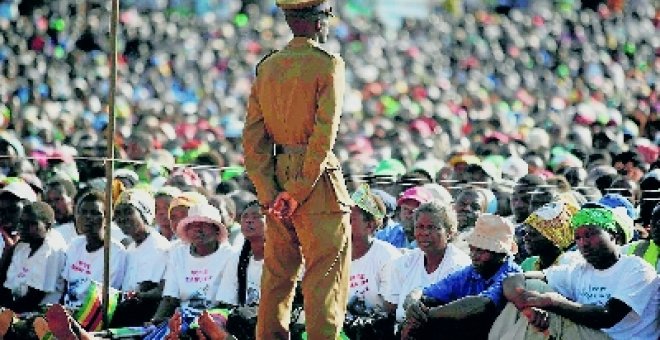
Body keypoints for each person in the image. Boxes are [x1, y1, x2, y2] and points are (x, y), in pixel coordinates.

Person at [242, 1, 354, 338]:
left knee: (276, 278)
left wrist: (269, 193)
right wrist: (299, 190)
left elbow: (253, 137)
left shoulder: (268, 66)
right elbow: (323, 136)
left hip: (277, 177)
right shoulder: (328, 64)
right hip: (317, 184)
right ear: (319, 23)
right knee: (324, 281)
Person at [501, 207, 659, 340]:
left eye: (590, 235)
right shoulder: (579, 270)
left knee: (547, 318)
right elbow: (514, 279)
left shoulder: (636, 269)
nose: (583, 243)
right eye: (578, 237)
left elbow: (607, 317)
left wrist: (553, 302)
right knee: (530, 296)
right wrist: (522, 301)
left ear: (613, 236)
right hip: (592, 335)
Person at [402, 214, 522, 339]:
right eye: (472, 249)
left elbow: (479, 304)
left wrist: (426, 315)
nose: (474, 256)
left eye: (481, 251)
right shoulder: (471, 271)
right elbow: (425, 291)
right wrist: (413, 303)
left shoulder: (511, 273)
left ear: (501, 254)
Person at [384, 200, 471, 323]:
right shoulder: (405, 262)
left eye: (432, 227)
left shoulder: (460, 266)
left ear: (449, 232)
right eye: (420, 227)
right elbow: (391, 308)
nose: (424, 233)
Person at [151, 203, 235, 323]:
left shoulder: (230, 256)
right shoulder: (178, 254)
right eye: (193, 225)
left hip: (214, 320)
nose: (198, 229)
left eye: (203, 225)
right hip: (181, 320)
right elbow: (170, 298)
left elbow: (226, 304)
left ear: (216, 230)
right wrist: (156, 321)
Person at [111, 189, 171, 327]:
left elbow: (156, 291)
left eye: (128, 212)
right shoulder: (130, 248)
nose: (122, 218)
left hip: (146, 319)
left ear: (144, 213)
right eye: (118, 214)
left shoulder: (159, 247)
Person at [61, 191, 127, 314]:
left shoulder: (115, 252)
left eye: (95, 213)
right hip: (67, 312)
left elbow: (108, 297)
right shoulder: (75, 245)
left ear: (107, 218)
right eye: (83, 212)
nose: (88, 218)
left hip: (93, 316)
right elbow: (66, 287)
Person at [1, 202, 67, 313]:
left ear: (48, 226)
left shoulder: (51, 249)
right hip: (18, 307)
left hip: (41, 313)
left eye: (31, 224)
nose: (23, 227)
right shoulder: (23, 246)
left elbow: (33, 298)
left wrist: (7, 312)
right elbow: (6, 286)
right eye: (21, 222)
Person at [347, 184, 401, 313]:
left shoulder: (387, 256)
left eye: (349, 219)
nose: (341, 225)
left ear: (370, 226)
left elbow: (390, 307)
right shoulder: (331, 255)